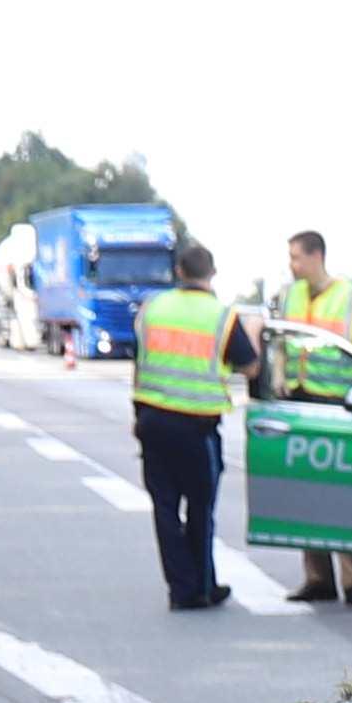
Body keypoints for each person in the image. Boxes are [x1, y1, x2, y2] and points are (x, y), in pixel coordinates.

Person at [125, 241, 256, 612]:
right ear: (211, 274)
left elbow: (139, 361)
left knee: (164, 509)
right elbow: (250, 366)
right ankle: (201, 586)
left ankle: (180, 589)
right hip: (197, 429)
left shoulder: (152, 309)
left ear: (179, 272)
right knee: (200, 509)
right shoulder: (221, 317)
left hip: (152, 422)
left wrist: (138, 416)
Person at [273, 232, 352, 603]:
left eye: (296, 257)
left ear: (316, 256)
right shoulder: (290, 295)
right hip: (301, 402)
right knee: (307, 494)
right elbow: (282, 342)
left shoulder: (351, 297)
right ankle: (317, 579)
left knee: (344, 494)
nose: (292, 264)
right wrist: (277, 375)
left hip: (339, 405)